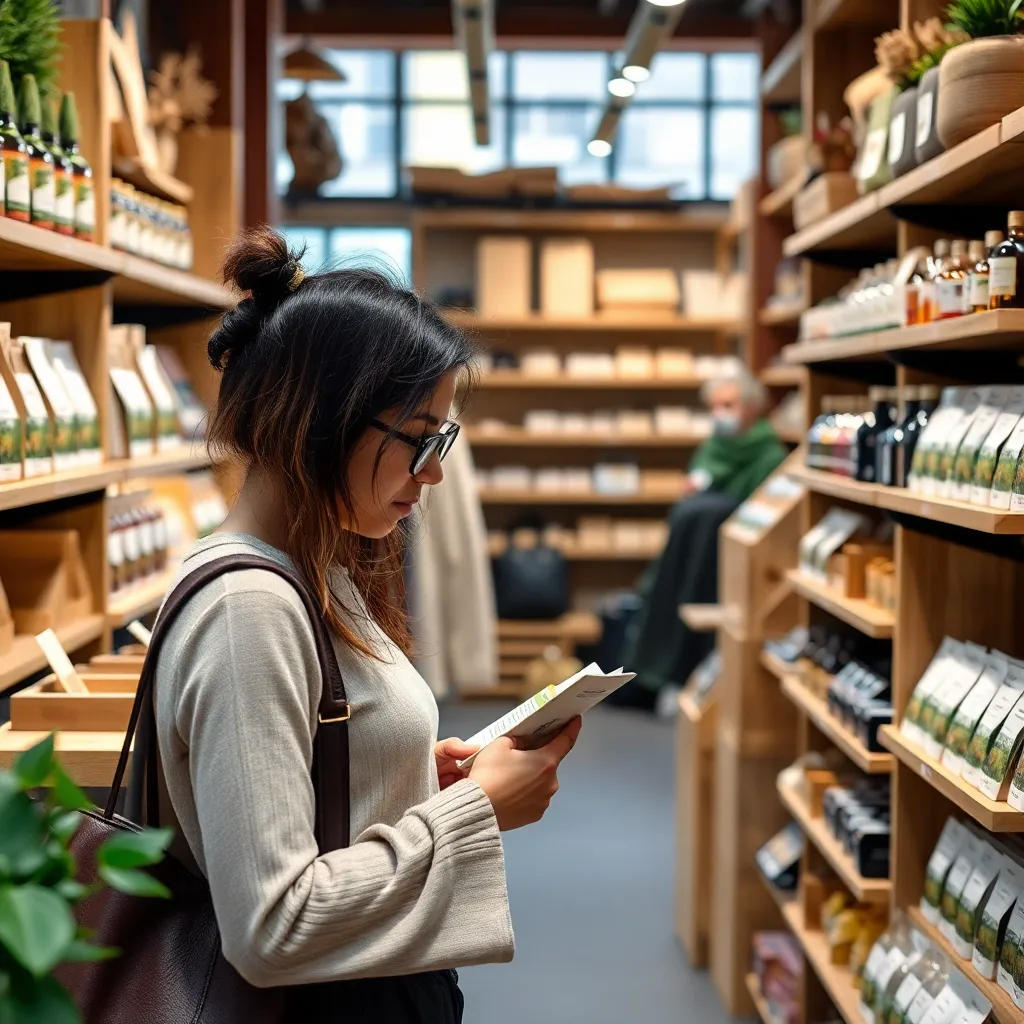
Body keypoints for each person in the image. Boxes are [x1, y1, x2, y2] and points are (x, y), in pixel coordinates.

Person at [153, 227, 582, 1022]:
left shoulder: (313, 569)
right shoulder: (249, 609)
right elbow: (274, 925)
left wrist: (415, 780)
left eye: (442, 440)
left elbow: (305, 786)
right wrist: (474, 812)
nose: (438, 471)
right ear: (320, 419)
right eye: (419, 440)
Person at [610, 367, 787, 711]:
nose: (720, 414)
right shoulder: (712, 447)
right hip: (686, 555)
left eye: (729, 405)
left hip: (722, 564)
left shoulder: (770, 454)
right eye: (715, 406)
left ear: (752, 407)